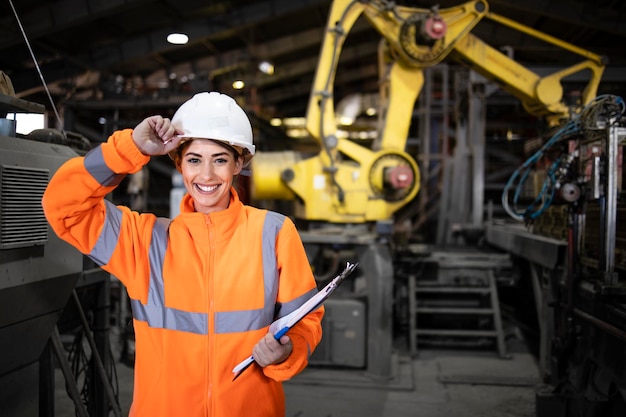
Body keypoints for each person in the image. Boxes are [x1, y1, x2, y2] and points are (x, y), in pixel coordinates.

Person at [42, 91, 324, 417]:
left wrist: (285, 352)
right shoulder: (144, 242)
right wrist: (129, 149)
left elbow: (305, 322)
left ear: (239, 163)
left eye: (220, 159)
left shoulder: (273, 233)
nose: (206, 175)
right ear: (178, 163)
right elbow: (62, 205)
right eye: (194, 160)